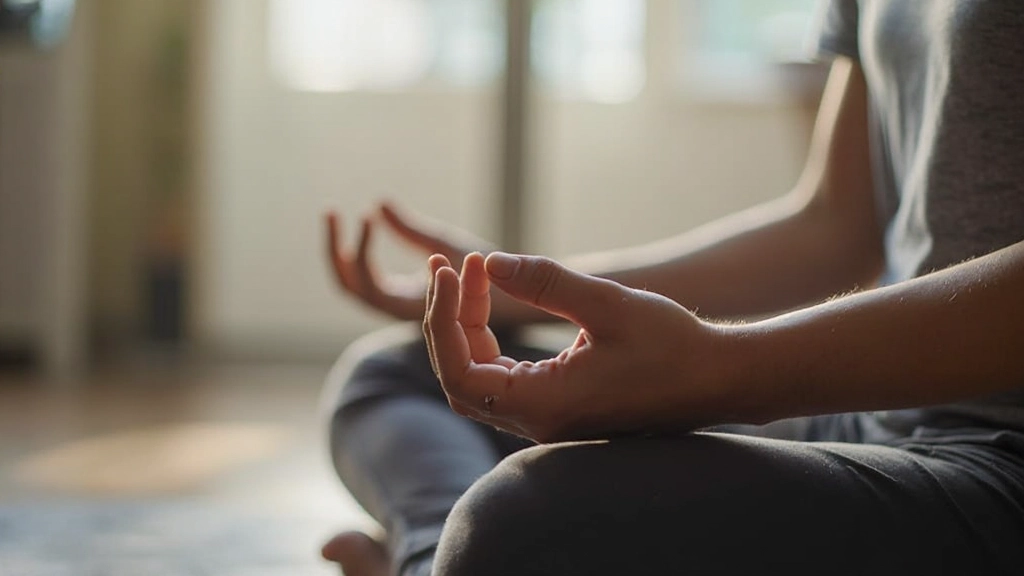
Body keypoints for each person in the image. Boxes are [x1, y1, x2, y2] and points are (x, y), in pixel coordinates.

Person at [320, 1, 1024, 574]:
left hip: (1002, 463)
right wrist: (510, 293)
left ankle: (424, 560)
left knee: (515, 522)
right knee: (395, 375)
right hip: (872, 417)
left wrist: (721, 372)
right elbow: (834, 226)